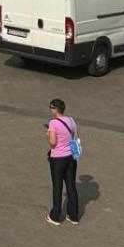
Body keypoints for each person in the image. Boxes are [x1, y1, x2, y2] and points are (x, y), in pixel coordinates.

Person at [45, 97, 80, 226]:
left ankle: (55, 216)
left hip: (58, 159)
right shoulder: (71, 120)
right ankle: (74, 216)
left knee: (57, 187)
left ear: (56, 109)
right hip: (71, 158)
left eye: (51, 107)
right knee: (71, 186)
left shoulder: (53, 123)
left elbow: (53, 143)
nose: (50, 109)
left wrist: (47, 135)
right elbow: (75, 136)